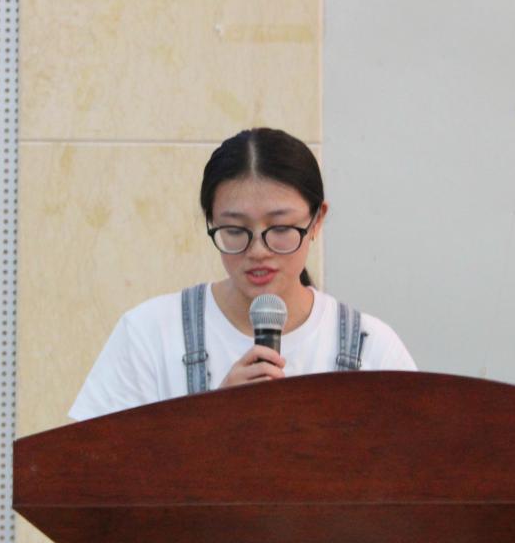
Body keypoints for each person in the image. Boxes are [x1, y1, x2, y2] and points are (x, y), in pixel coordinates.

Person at [68, 127, 417, 421]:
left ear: (317, 221)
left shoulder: (373, 347)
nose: (258, 251)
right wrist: (212, 421)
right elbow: (94, 470)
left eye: (281, 228)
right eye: (235, 230)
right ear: (211, 221)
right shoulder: (150, 333)